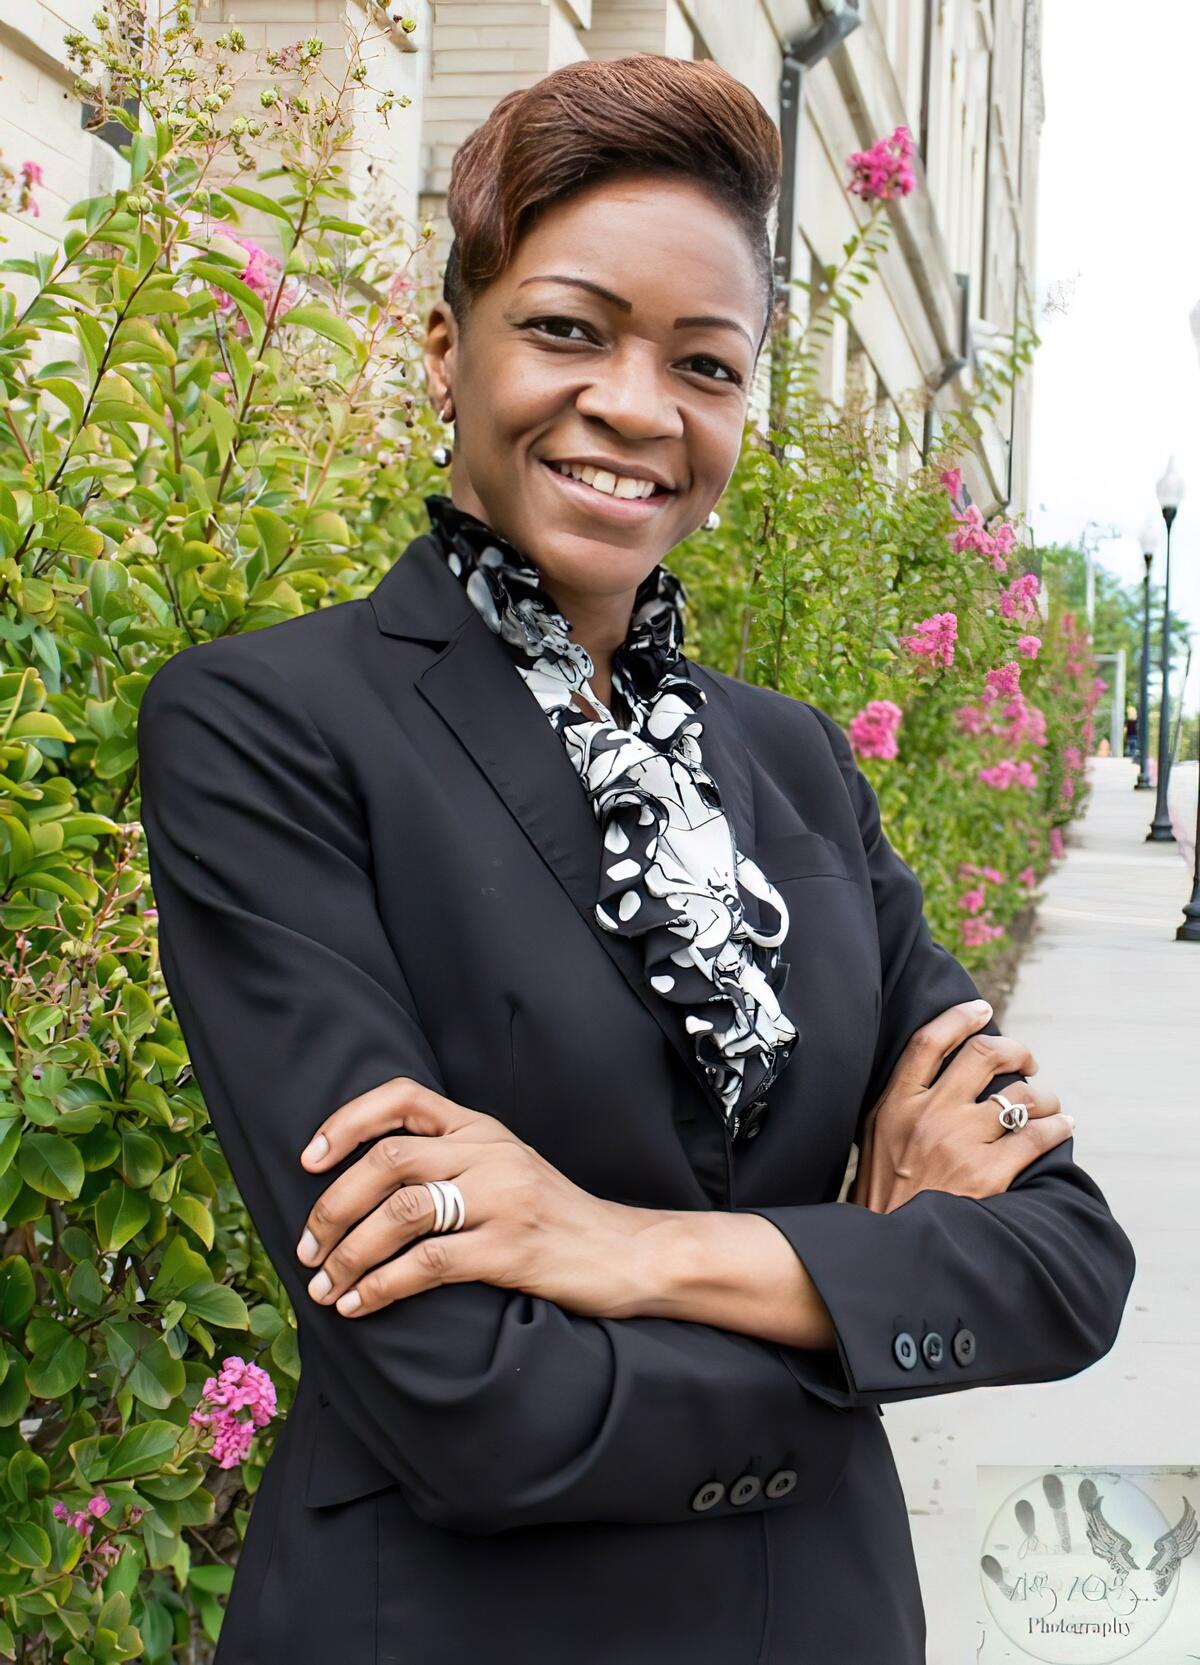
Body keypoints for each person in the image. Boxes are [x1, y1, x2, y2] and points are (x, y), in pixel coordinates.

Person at [135, 53, 1136, 1665]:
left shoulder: (799, 763)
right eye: (567, 330)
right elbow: (461, 1392)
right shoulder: (268, 729)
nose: (637, 406)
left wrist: (615, 1245)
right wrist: (858, 1297)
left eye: (706, 361)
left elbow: (1064, 1264)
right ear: (446, 345)